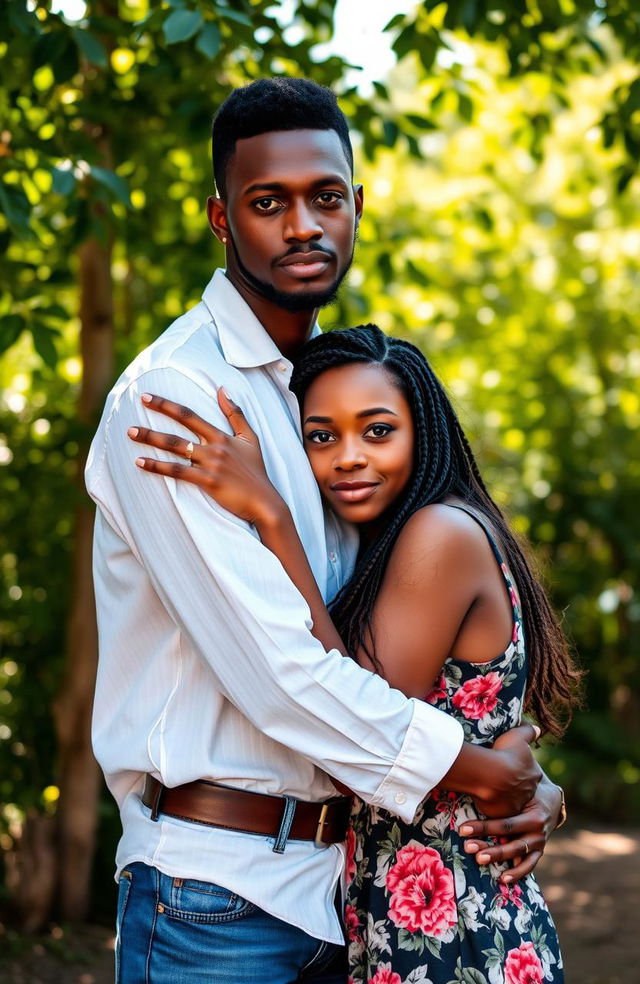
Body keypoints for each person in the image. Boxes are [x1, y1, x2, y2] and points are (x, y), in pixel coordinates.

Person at [87, 77, 562, 984]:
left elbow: (403, 647)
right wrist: (477, 770)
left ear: (356, 207)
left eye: (326, 197)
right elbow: (281, 677)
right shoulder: (179, 398)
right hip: (217, 898)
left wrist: (526, 774)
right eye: (268, 203)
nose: (303, 225)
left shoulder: (321, 395)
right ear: (223, 221)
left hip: (348, 892)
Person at [131, 324, 580, 982]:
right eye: (322, 436)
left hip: (452, 920)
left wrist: (273, 518)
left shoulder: (438, 534)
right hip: (411, 907)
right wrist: (520, 782)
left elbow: (355, 734)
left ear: (421, 429)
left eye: (377, 430)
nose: (347, 456)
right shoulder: (400, 539)